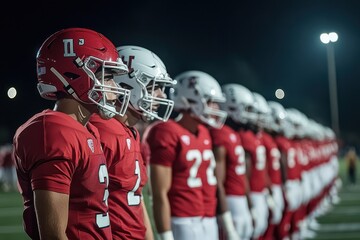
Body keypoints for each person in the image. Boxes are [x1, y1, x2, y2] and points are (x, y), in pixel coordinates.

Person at [12, 27, 129, 240]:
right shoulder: (53, 131)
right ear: (75, 75)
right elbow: (54, 235)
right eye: (107, 76)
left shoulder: (87, 129)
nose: (114, 87)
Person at [89, 45, 176, 240]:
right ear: (126, 86)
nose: (162, 96)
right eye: (155, 87)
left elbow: (135, 197)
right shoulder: (100, 130)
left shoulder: (131, 132)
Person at [145, 70, 227, 240]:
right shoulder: (166, 131)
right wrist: (166, 235)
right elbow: (158, 193)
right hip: (183, 220)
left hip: (208, 216)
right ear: (190, 99)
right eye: (211, 102)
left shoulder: (204, 132)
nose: (216, 108)